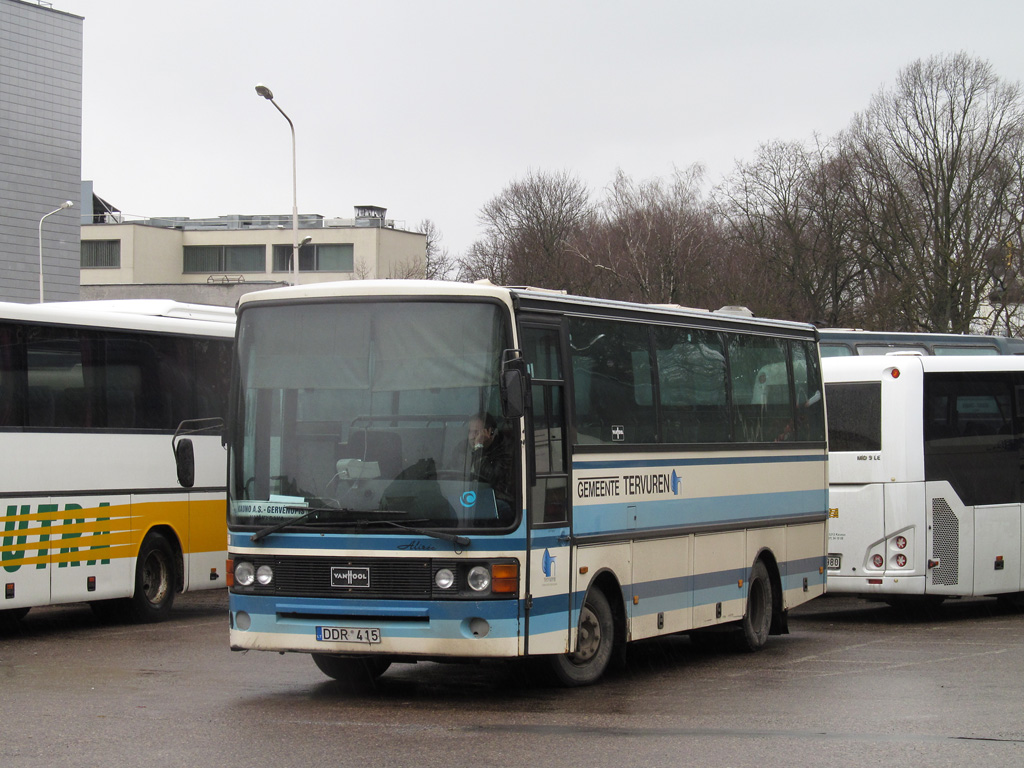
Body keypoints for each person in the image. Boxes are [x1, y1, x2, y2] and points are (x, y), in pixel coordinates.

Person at [460, 412, 514, 519]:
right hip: (463, 495)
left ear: (490, 432)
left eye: (476, 432)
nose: (472, 437)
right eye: (470, 432)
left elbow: (492, 478)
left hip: (493, 497)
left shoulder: (504, 450)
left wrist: (479, 447)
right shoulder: (462, 448)